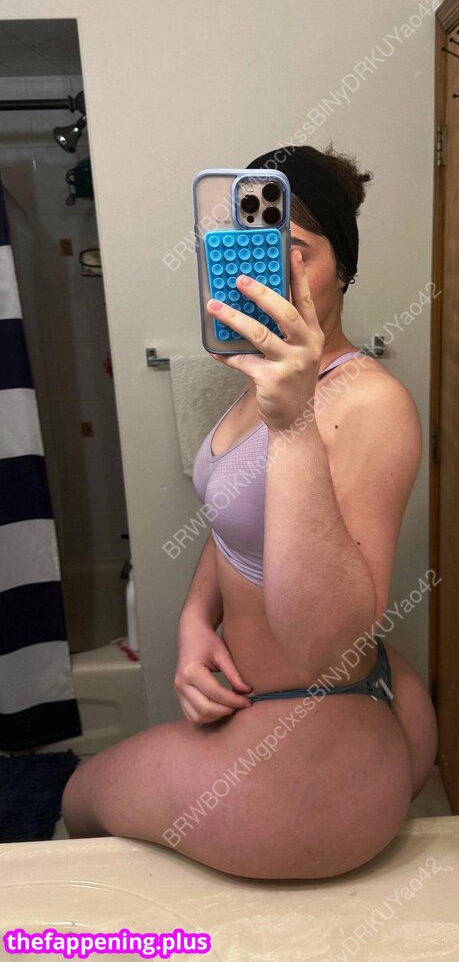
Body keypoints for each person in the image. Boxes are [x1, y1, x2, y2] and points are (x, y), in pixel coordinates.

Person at [61, 143, 438, 879]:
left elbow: (326, 647)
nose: (271, 276)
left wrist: (293, 424)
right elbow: (237, 516)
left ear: (343, 269)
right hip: (288, 706)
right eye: (258, 250)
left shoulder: (370, 402)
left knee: (79, 799)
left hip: (316, 728)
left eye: (299, 253)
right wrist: (194, 620)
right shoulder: (268, 376)